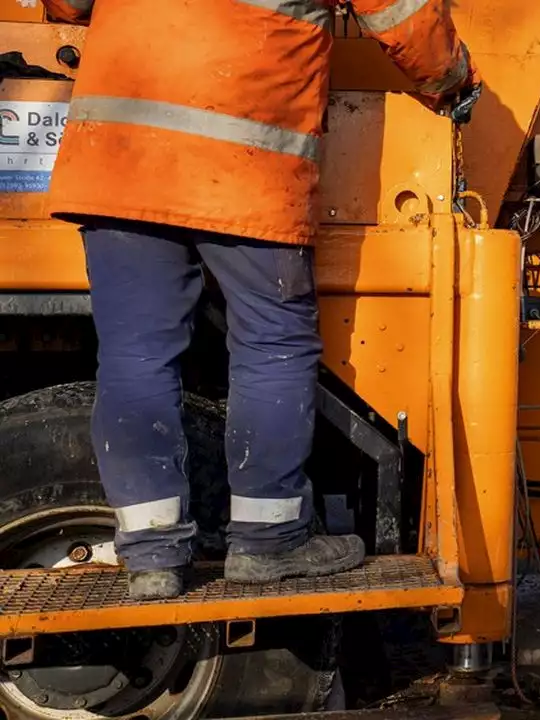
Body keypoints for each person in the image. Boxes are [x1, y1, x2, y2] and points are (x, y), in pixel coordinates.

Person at [40, 0, 482, 600]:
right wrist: (452, 79)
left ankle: (150, 556)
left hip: (121, 160)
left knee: (135, 355)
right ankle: (270, 541)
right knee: (273, 344)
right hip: (246, 163)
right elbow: (401, 14)